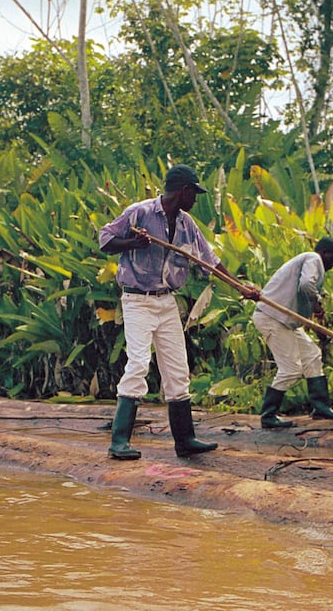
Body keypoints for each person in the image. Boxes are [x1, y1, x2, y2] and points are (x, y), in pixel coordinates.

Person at [98, 163, 260, 460]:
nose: (196, 200)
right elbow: (105, 239)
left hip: (165, 300)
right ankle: (119, 441)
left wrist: (241, 288)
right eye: (194, 193)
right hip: (137, 300)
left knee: (177, 369)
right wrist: (134, 242)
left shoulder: (186, 224)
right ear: (183, 191)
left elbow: (209, 261)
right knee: (138, 363)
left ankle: (185, 440)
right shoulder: (141, 212)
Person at [252, 237, 333, 428]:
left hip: (285, 321)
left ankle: (321, 407)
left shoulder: (308, 262)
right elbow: (305, 285)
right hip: (273, 318)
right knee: (291, 368)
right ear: (325, 253)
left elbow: (301, 298)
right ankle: (268, 415)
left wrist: (316, 314)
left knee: (312, 355)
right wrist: (317, 302)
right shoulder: (314, 259)